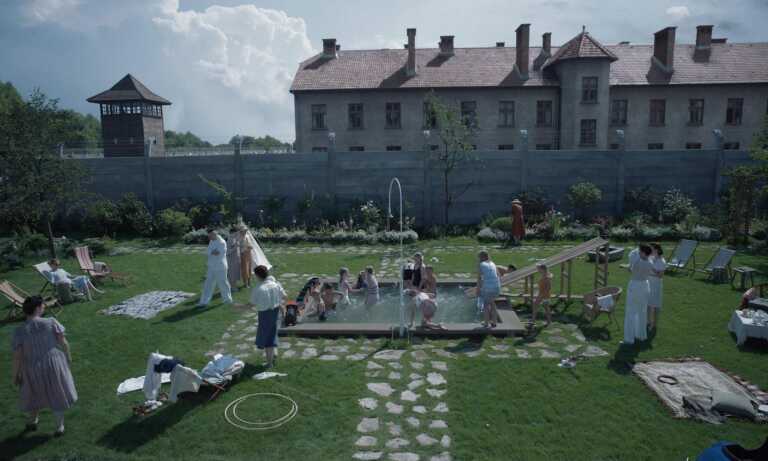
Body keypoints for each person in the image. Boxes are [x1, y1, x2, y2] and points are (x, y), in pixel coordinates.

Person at [12, 296, 77, 436]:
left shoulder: (19, 330)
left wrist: (16, 374)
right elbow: (63, 342)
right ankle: (59, 427)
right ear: (37, 308)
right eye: (42, 305)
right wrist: (68, 357)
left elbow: (17, 356)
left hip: (31, 366)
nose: (44, 307)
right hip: (53, 362)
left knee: (34, 391)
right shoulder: (50, 322)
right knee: (56, 392)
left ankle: (33, 420)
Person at [245, 266, 286, 368]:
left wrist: (238, 307)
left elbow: (251, 305)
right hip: (275, 312)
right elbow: (284, 296)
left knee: (268, 340)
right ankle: (274, 354)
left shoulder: (259, 288)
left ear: (258, 275)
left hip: (265, 314)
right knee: (272, 333)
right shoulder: (275, 284)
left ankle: (269, 363)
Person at [623, 244, 653, 345]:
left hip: (635, 285)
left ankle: (629, 339)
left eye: (640, 251)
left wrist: (631, 264)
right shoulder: (650, 262)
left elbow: (630, 269)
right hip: (645, 285)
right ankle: (640, 335)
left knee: (630, 311)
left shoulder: (637, 262)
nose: (639, 253)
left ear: (644, 253)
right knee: (642, 311)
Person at [198, 229, 233, 307]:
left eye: (210, 236)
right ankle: (204, 301)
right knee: (208, 284)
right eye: (208, 236)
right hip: (211, 266)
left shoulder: (222, 242)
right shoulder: (211, 241)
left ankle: (227, 299)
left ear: (214, 234)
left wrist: (211, 252)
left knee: (223, 284)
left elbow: (218, 253)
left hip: (220, 267)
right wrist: (211, 252)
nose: (209, 237)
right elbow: (208, 251)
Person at [475, 250, 501, 328]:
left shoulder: (481, 265)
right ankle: (494, 322)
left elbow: (479, 279)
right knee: (492, 303)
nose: (478, 259)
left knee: (486, 304)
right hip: (497, 287)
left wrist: (478, 289)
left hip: (488, 288)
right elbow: (499, 275)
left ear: (481, 257)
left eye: (478, 257)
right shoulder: (493, 263)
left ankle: (486, 323)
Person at [647, 243, 666, 331]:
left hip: (656, 285)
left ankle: (654, 324)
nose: (650, 251)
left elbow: (660, 275)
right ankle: (648, 322)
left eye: (652, 249)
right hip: (648, 283)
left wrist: (652, 269)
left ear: (657, 250)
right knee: (648, 304)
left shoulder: (662, 261)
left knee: (654, 305)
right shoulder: (650, 258)